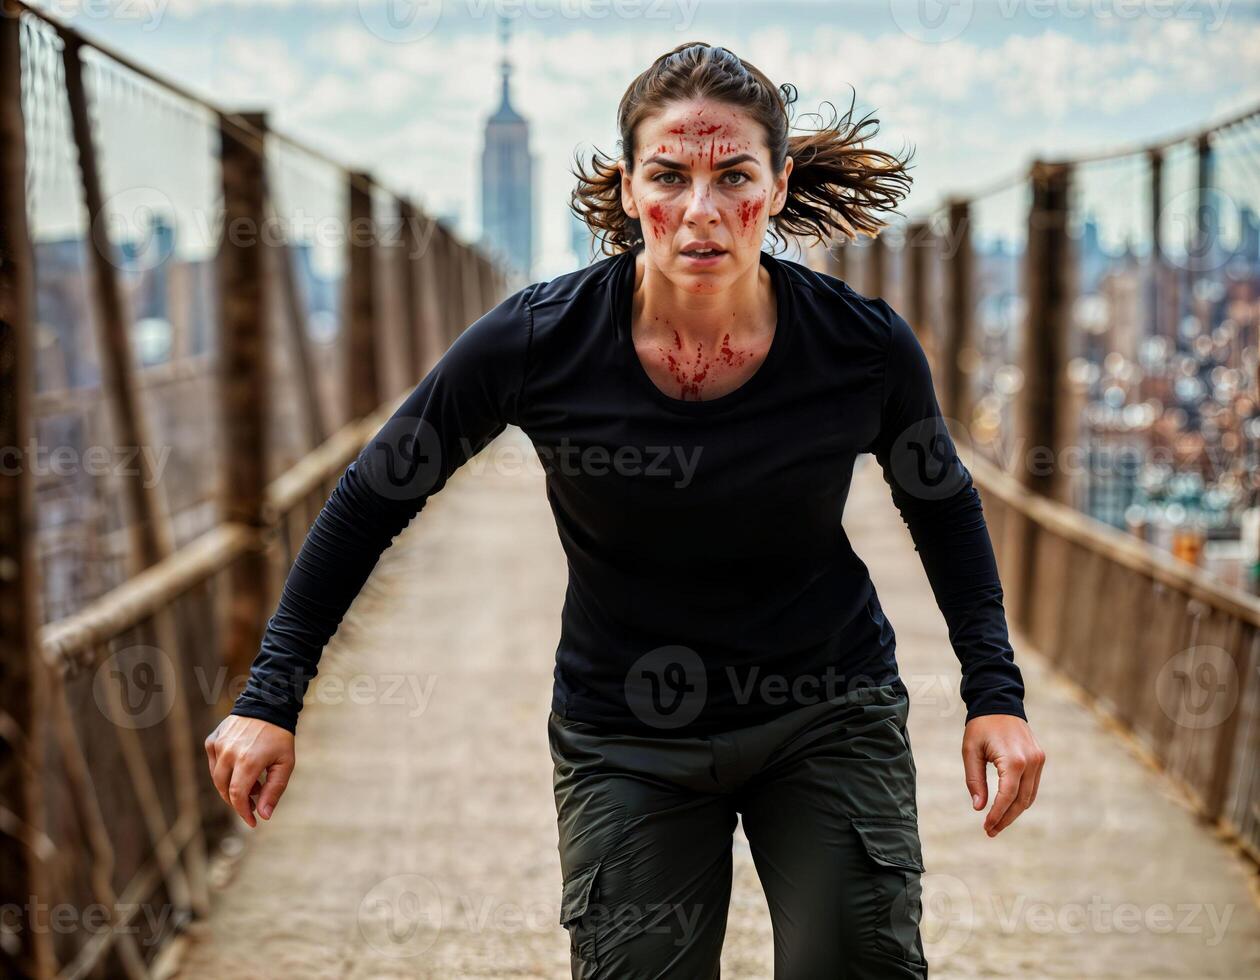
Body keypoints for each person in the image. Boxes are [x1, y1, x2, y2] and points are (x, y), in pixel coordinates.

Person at [205, 41, 1045, 979]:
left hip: (827, 709)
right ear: (627, 185)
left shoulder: (861, 345)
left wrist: (994, 697)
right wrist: (270, 697)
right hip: (626, 732)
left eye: (734, 176)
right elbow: (372, 497)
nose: (701, 211)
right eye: (669, 176)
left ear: (778, 183)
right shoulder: (536, 340)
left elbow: (943, 506)